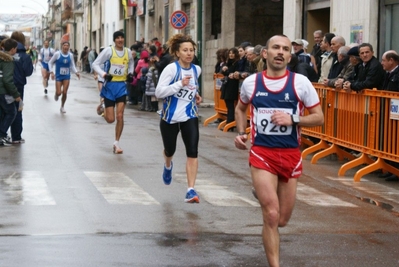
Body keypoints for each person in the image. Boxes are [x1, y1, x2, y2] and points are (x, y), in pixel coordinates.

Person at [234, 35, 324, 266]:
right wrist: (241, 132)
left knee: (282, 219)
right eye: (275, 48)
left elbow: (319, 118)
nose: (280, 52)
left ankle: (265, 196)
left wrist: (293, 118)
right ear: (265, 53)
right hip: (262, 154)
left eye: (285, 49)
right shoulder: (251, 83)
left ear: (289, 55)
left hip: (291, 155)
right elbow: (240, 108)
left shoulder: (301, 83)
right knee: (271, 215)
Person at [155, 33, 202, 203]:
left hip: (190, 115)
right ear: (177, 52)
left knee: (193, 152)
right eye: (185, 50)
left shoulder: (197, 69)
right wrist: (179, 84)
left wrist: (196, 95)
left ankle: (190, 190)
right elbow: (159, 92)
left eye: (191, 50)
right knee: (170, 150)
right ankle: (168, 165)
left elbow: (192, 87)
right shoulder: (172, 69)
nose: (189, 53)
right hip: (170, 117)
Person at [92, 31, 134, 154]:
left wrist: (130, 73)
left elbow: (131, 63)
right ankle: (102, 108)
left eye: (122, 37)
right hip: (109, 87)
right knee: (110, 119)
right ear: (114, 40)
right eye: (118, 38)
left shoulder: (128, 52)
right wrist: (104, 74)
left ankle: (116, 143)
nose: (120, 40)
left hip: (121, 86)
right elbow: (95, 64)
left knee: (120, 116)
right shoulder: (109, 51)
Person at [9, 31, 33, 144]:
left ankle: (3, 133)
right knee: (18, 110)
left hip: (5, 86)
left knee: (5, 110)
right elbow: (28, 72)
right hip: (18, 87)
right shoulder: (25, 55)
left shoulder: (5, 54)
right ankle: (16, 136)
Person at [48, 41, 80, 113]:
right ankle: (56, 94)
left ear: (69, 47)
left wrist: (76, 72)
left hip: (66, 76)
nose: (66, 47)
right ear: (62, 46)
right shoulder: (57, 54)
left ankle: (62, 106)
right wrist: (51, 72)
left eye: (67, 46)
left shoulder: (70, 55)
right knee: (59, 93)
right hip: (59, 76)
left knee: (65, 92)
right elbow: (50, 62)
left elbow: (72, 66)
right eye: (64, 46)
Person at [0, 38, 21, 146]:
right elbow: (7, 80)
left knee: (3, 113)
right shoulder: (8, 60)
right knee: (12, 112)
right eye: (16, 48)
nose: (16, 50)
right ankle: (2, 134)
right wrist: (16, 95)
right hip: (2, 91)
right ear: (12, 49)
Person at [220, 47, 240, 127]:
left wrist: (227, 71)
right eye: (230, 53)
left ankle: (230, 122)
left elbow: (232, 73)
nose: (231, 55)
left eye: (232, 53)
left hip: (232, 85)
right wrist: (223, 69)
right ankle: (229, 121)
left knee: (230, 104)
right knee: (228, 104)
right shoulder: (228, 62)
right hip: (226, 84)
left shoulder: (237, 63)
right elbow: (224, 73)